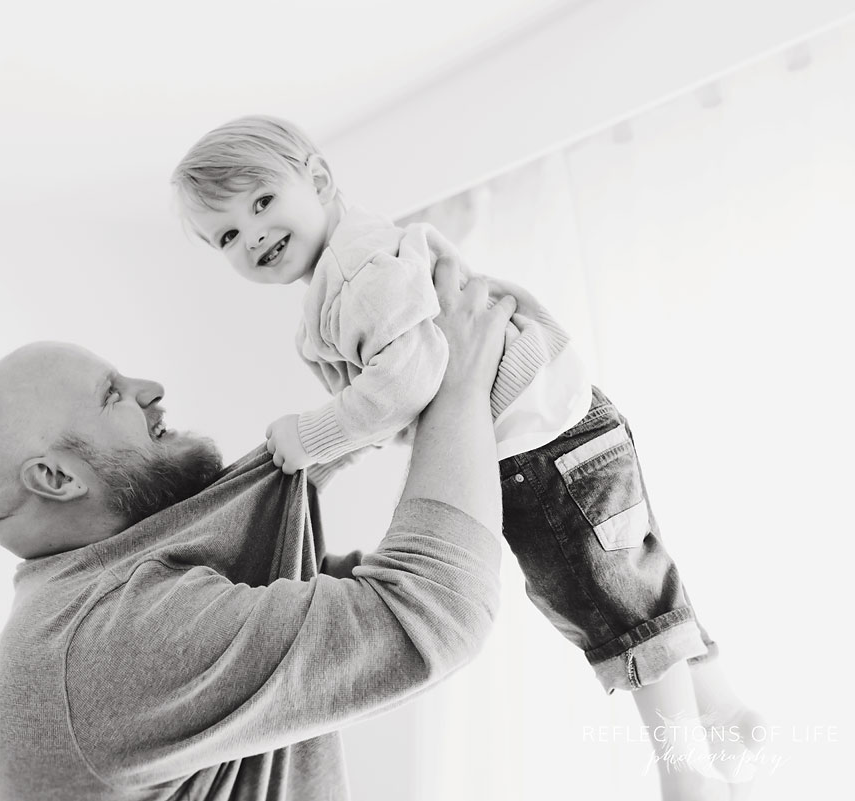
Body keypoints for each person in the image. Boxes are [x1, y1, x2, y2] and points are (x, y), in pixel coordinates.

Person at [171, 115, 762, 800]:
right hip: (570, 424)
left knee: (605, 600)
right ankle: (719, 705)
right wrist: (329, 454)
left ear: (320, 180)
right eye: (228, 237)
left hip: (535, 451)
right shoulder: (366, 260)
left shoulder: (358, 274)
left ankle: (684, 766)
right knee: (637, 575)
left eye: (262, 202)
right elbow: (401, 394)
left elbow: (409, 381)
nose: (254, 236)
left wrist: (314, 434)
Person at [0, 259, 517, 800]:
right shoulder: (107, 641)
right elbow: (434, 610)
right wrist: (459, 382)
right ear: (55, 477)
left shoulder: (100, 584)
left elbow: (271, 545)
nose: (150, 388)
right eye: (112, 395)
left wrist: (372, 407)